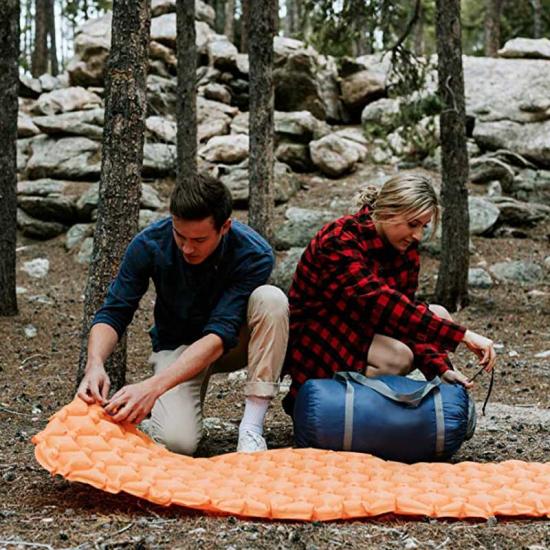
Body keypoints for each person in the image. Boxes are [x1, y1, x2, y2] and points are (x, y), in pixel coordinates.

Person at [77, 173, 289, 454]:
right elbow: (114, 311)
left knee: (271, 299)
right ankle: (161, 415)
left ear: (225, 227)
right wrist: (94, 363)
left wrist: (153, 387)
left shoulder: (253, 253)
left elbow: (221, 333)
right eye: (180, 235)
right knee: (178, 441)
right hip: (179, 345)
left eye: (199, 239)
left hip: (233, 343)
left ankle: (251, 429)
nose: (187, 248)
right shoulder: (148, 244)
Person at [282, 173, 496, 415]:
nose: (418, 235)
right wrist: (463, 335)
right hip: (316, 340)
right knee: (398, 356)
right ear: (387, 212)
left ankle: (365, 413)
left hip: (361, 331)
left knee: (439, 313)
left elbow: (404, 318)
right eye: (412, 224)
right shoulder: (340, 238)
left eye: (423, 226)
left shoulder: (405, 249)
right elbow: (380, 302)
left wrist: (440, 369)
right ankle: (329, 407)